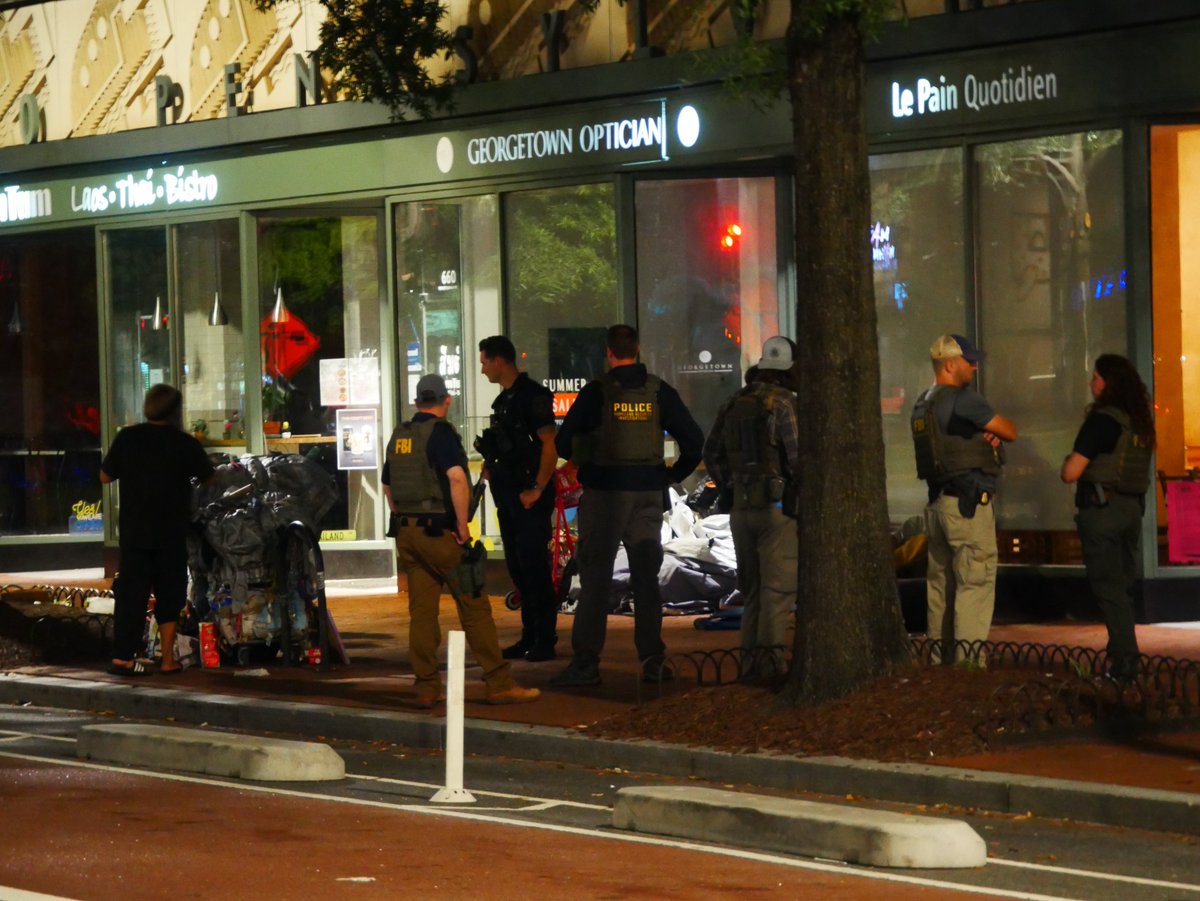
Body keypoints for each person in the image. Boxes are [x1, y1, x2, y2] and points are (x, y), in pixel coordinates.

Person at [550, 324, 704, 687]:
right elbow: (694, 440)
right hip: (648, 494)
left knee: (595, 578)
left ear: (608, 352)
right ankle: (653, 661)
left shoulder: (596, 393)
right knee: (646, 579)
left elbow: (562, 444)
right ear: (637, 349)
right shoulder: (657, 391)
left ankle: (586, 665)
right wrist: (670, 475)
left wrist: (587, 456)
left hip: (605, 493)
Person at [382, 373, 539, 708]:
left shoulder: (400, 436)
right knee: (475, 607)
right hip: (440, 535)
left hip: (407, 535)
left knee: (422, 613)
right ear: (446, 400)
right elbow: (455, 478)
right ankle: (498, 682)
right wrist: (462, 527)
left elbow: (388, 487)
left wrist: (401, 517)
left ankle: (426, 687)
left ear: (416, 402)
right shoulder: (439, 434)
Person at [910, 334, 1017, 664]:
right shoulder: (965, 400)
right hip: (968, 506)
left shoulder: (923, 403)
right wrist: (993, 436)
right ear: (949, 365)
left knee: (940, 587)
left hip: (939, 504)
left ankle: (939, 662)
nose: (974, 366)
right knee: (974, 584)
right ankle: (969, 666)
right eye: (969, 361)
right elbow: (1010, 430)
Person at [100, 384, 215, 676]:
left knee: (131, 594)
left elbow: (104, 476)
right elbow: (209, 478)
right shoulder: (183, 443)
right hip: (171, 530)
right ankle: (167, 660)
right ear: (176, 412)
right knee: (170, 593)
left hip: (135, 530)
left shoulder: (128, 438)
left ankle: (122, 657)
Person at [702, 336, 800, 678]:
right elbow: (799, 459)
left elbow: (710, 453)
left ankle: (748, 665)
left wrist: (730, 483)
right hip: (777, 508)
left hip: (740, 508)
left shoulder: (733, 403)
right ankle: (770, 667)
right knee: (778, 591)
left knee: (753, 590)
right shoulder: (786, 404)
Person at [1060, 354, 1154, 683]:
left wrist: (1065, 464)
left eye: (1096, 378)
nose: (1091, 383)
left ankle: (1126, 666)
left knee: (1109, 591)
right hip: (1131, 511)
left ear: (1109, 383)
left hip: (1102, 512)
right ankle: (1119, 661)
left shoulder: (1102, 421)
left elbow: (1072, 472)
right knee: (1122, 590)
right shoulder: (1138, 422)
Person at [477, 335, 559, 662]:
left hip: (529, 496)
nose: (482, 369)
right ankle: (529, 635)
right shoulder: (505, 400)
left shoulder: (533, 396)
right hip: (510, 493)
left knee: (534, 566)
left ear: (500, 360)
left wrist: (537, 488)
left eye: (484, 361)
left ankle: (545, 639)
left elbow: (549, 447)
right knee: (519, 568)